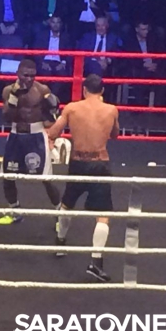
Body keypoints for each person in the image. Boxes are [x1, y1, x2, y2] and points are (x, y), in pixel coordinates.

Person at [48, 74, 119, 283]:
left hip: (78, 162)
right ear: (102, 91)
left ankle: (60, 242)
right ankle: (96, 263)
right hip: (100, 163)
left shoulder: (72, 108)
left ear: (84, 90)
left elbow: (53, 133)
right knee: (103, 215)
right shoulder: (111, 110)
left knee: (67, 204)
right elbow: (115, 135)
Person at [0, 59, 61, 225]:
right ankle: (15, 211)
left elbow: (51, 116)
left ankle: (60, 214)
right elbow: (6, 118)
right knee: (7, 176)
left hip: (36, 136)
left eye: (33, 75)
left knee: (46, 178)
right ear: (18, 74)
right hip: (15, 134)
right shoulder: (8, 90)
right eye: (26, 75)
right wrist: (14, 97)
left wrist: (54, 111)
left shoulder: (42, 89)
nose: (29, 79)